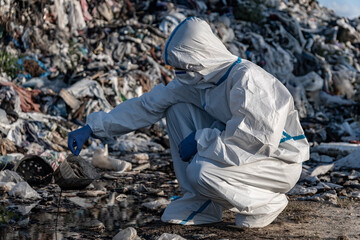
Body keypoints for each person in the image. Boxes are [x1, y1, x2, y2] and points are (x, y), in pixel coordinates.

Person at [68, 17, 309, 228]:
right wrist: (94, 127)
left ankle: (266, 201)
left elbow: (256, 141)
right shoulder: (199, 81)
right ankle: (201, 203)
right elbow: (147, 104)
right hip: (241, 151)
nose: (178, 72)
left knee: (201, 171)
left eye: (182, 65)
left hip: (278, 162)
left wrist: (201, 140)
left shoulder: (248, 80)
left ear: (200, 57)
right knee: (176, 108)